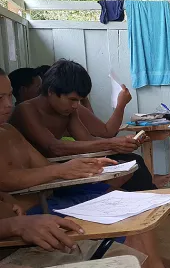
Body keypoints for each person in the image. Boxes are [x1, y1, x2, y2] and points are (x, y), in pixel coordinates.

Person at [0, 68, 170, 268]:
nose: (8, 105)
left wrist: (87, 164)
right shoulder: (25, 111)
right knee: (126, 226)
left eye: (9, 96)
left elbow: (48, 163)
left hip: (50, 191)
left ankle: (155, 263)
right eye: (0, 98)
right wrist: (64, 168)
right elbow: (45, 154)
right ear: (51, 92)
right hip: (40, 204)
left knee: (131, 201)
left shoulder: (9, 131)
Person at [10, 60, 161, 192]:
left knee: (133, 162)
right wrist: (112, 143)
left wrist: (123, 144)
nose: (76, 106)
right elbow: (54, 147)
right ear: (51, 92)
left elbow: (86, 140)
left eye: (80, 100)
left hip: (64, 163)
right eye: (72, 100)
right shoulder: (26, 110)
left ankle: (151, 204)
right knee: (120, 175)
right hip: (40, 173)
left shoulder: (68, 111)